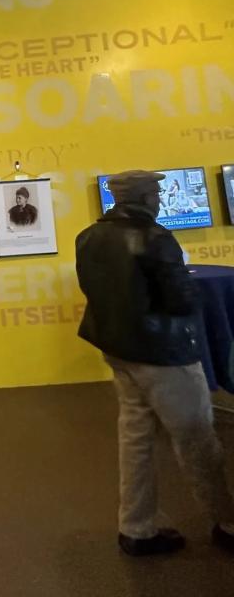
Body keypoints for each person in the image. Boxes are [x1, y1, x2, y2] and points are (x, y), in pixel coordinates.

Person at [75, 169, 234, 556]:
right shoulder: (156, 239)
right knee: (197, 437)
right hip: (164, 355)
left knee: (136, 438)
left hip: (118, 351)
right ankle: (228, 522)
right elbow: (180, 300)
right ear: (146, 198)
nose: (160, 197)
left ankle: (136, 528)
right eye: (156, 192)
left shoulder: (89, 237)